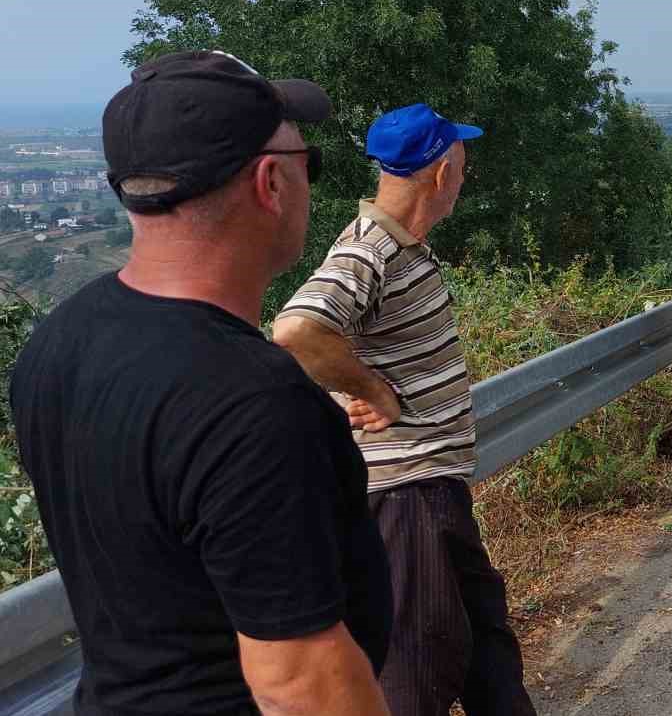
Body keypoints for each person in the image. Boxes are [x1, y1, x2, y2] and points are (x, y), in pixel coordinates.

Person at [11, 50, 393, 715]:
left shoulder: (57, 342)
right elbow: (299, 684)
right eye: (311, 165)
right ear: (270, 183)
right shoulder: (253, 401)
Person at [273, 104, 536, 716]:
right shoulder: (370, 252)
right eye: (462, 167)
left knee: (487, 650)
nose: (465, 179)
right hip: (404, 496)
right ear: (441, 174)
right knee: (416, 669)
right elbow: (296, 330)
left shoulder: (402, 248)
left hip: (432, 490)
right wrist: (374, 390)